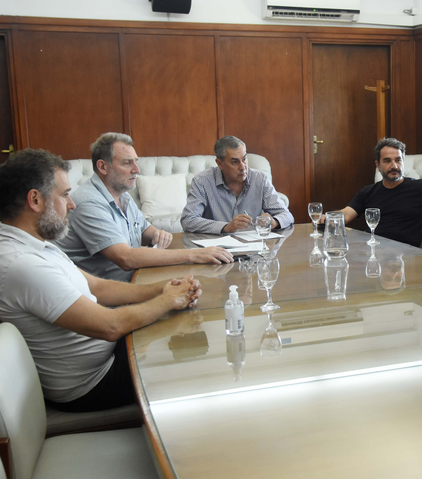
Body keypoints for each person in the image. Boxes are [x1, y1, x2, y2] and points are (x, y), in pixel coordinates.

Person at [0, 149, 201, 412]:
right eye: (64, 195)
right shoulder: (21, 264)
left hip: (108, 355)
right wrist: (167, 300)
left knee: (187, 332)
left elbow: (98, 287)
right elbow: (110, 326)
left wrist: (162, 289)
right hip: (95, 382)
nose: (72, 205)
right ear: (35, 200)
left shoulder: (35, 242)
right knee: (192, 357)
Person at [58, 133, 233, 281]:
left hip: (136, 280)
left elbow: (144, 229)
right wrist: (194, 254)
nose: (137, 169)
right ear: (102, 167)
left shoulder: (121, 194)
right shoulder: (89, 203)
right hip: (106, 298)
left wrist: (156, 234)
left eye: (136, 162)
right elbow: (125, 257)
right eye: (127, 163)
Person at [326, 138, 422, 248]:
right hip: (373, 251)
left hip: (406, 255)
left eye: (398, 160)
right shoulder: (368, 191)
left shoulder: (420, 187)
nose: (394, 166)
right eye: (387, 161)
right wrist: (327, 218)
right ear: (378, 165)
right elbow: (347, 214)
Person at [181, 136, 294, 234]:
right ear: (220, 163)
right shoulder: (202, 181)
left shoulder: (260, 179)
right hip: (216, 248)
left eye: (244, 159)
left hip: (252, 248)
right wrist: (226, 227)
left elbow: (287, 215)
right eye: (235, 162)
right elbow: (188, 220)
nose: (243, 167)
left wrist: (274, 222)